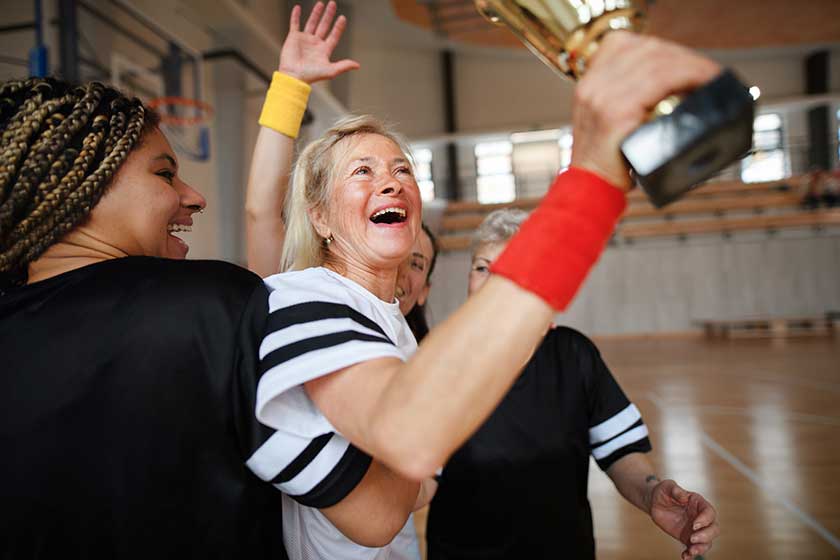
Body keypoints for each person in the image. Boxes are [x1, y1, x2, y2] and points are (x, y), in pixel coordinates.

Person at [426, 209, 721, 560]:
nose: (493, 281)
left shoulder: (574, 355)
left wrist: (652, 494)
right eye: (482, 267)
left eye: (511, 269)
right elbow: (418, 479)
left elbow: (621, 453)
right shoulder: (437, 362)